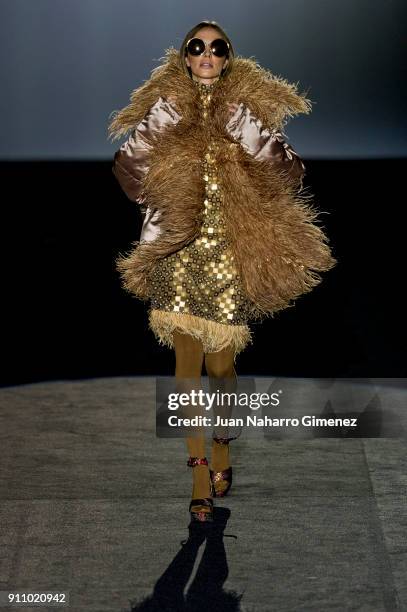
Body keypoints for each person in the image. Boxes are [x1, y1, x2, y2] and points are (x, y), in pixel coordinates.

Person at [108, 20, 336, 522]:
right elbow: (126, 172)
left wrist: (247, 130)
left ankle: (223, 445)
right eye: (197, 46)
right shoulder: (165, 109)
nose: (206, 54)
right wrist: (159, 136)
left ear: (228, 57)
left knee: (221, 369)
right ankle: (197, 476)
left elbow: (291, 174)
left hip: (230, 252)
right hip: (180, 251)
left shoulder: (245, 107)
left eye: (217, 47)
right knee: (186, 370)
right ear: (185, 57)